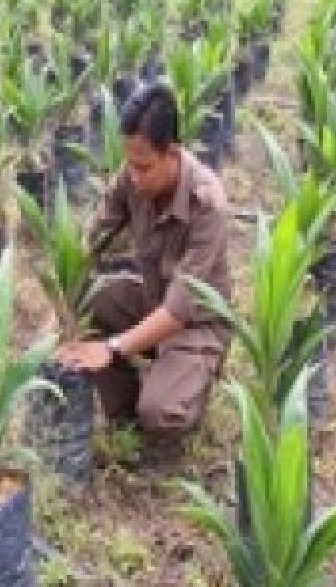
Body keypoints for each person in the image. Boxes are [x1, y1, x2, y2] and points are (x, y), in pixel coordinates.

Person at [57, 81, 231, 462]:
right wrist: (65, 304)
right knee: (93, 300)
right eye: (129, 164)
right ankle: (125, 410)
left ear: (172, 152)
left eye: (143, 167)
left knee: (161, 412)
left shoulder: (208, 204)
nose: (133, 177)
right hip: (151, 301)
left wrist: (112, 347)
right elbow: (94, 239)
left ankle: (184, 388)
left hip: (196, 326)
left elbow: (181, 308)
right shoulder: (132, 177)